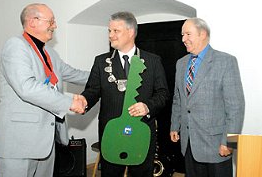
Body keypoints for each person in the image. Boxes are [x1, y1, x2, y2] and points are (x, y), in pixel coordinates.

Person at [0, 3, 89, 177]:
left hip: (46, 141)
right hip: (20, 142)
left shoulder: (50, 54)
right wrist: (70, 102)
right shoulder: (15, 46)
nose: (55, 26)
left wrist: (107, 75)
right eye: (51, 21)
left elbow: (75, 74)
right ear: (33, 22)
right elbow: (27, 87)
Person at [79, 11, 170, 177]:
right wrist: (83, 100)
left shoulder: (152, 61)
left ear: (131, 32)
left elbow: (163, 93)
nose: (111, 35)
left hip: (141, 130)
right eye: (109, 31)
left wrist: (148, 106)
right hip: (111, 133)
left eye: (116, 31)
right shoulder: (101, 62)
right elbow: (92, 91)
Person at [170, 18, 245, 177]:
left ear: (202, 34)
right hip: (189, 143)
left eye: (188, 34)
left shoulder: (225, 61)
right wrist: (175, 125)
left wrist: (229, 142)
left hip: (216, 145)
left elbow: (236, 107)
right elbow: (178, 99)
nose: (183, 39)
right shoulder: (181, 63)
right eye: (182, 35)